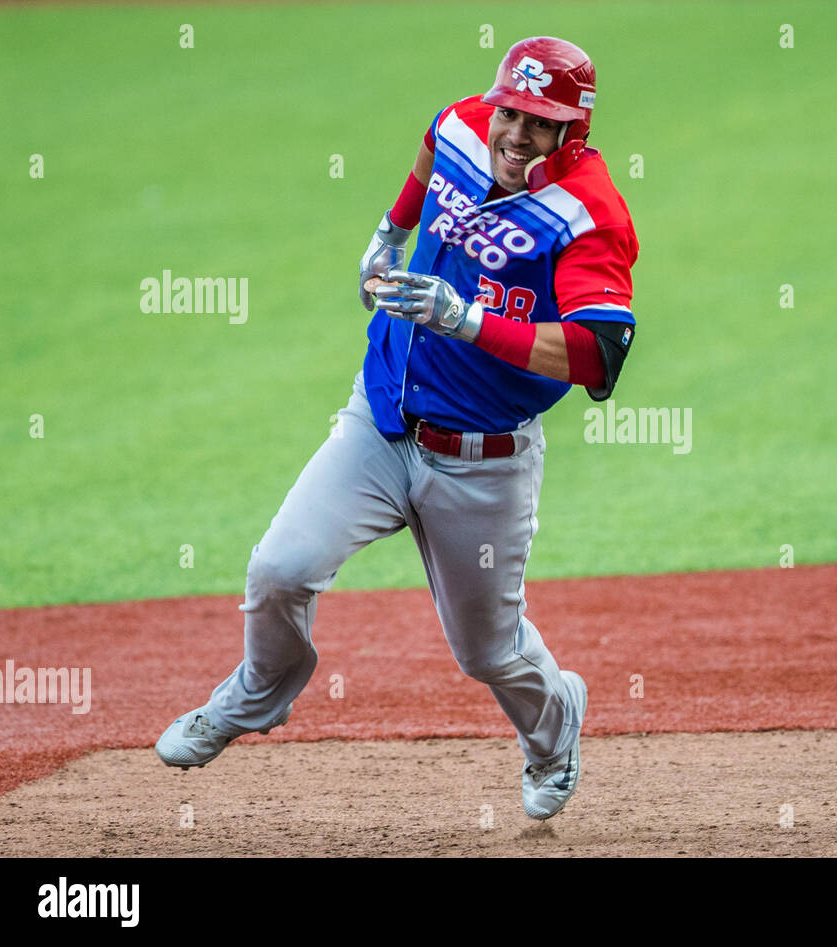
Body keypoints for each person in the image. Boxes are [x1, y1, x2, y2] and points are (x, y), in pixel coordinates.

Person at [155, 36, 639, 821]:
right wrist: (389, 229)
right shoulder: (460, 125)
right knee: (281, 566)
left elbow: (600, 354)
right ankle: (256, 695)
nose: (515, 133)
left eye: (538, 123)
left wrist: (469, 321)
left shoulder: (588, 213)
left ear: (571, 132)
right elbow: (427, 162)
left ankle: (555, 730)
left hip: (483, 459)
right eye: (510, 112)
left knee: (488, 651)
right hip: (379, 420)